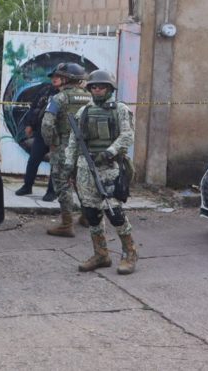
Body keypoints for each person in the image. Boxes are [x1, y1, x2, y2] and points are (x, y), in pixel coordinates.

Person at [64, 69, 138, 275]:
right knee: (91, 213)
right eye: (94, 87)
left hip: (110, 169)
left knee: (114, 213)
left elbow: (127, 136)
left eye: (101, 87)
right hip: (85, 169)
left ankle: (129, 252)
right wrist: (69, 165)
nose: (97, 90)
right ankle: (101, 254)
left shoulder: (120, 110)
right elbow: (73, 142)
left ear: (110, 89)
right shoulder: (84, 112)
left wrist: (109, 152)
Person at [40, 62, 91, 237]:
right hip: (84, 149)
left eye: (59, 76)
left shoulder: (59, 98)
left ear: (66, 79)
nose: (56, 79)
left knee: (63, 185)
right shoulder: (89, 97)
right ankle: (86, 217)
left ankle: (66, 224)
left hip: (63, 148)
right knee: (82, 183)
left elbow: (46, 124)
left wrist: (51, 142)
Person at [14, 73, 61, 199]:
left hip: (59, 135)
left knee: (56, 164)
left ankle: (52, 191)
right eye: (53, 77)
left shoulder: (66, 95)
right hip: (42, 133)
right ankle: (27, 186)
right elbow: (34, 107)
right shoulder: (46, 90)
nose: (54, 79)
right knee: (34, 160)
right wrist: (29, 125)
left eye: (58, 77)